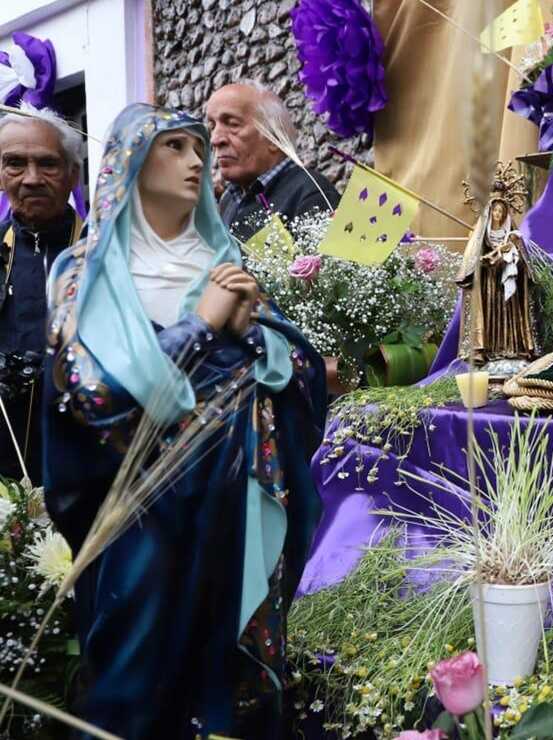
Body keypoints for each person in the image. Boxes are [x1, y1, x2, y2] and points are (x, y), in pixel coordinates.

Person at [43, 104, 326, 738]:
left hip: (233, 501)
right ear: (130, 164)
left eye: (199, 147)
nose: (197, 160)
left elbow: (295, 375)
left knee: (228, 666)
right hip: (138, 514)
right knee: (137, 673)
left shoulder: (223, 262)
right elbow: (88, 396)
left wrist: (255, 337)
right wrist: (198, 328)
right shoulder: (85, 273)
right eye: (174, 146)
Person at [0, 104, 85, 485]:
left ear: (73, 175)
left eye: (48, 164)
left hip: (86, 468)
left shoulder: (105, 252)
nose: (31, 178)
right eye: (15, 164)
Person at [204, 80, 339, 241]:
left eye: (232, 124)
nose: (215, 139)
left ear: (273, 136)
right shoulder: (228, 201)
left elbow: (329, 265)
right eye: (212, 126)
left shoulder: (311, 194)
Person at [456, 164, 537, 366]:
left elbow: (524, 261)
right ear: (489, 212)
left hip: (507, 285)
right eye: (495, 211)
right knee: (490, 315)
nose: (498, 214)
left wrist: (514, 256)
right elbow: (473, 259)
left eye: (501, 211)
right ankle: (489, 350)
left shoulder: (512, 233)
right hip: (489, 284)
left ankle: (511, 349)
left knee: (508, 314)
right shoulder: (481, 235)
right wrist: (484, 261)